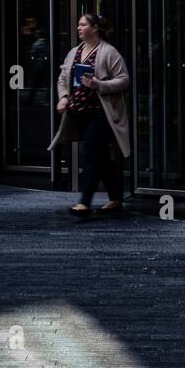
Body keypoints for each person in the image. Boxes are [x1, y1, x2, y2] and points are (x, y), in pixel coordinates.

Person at [50, 13, 130, 216]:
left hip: (100, 113)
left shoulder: (109, 52)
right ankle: (116, 197)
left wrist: (98, 84)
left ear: (95, 28)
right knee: (101, 156)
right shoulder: (74, 52)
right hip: (78, 113)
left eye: (83, 24)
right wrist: (64, 97)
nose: (78, 28)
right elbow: (62, 78)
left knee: (91, 155)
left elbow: (124, 80)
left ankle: (84, 202)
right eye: (78, 24)